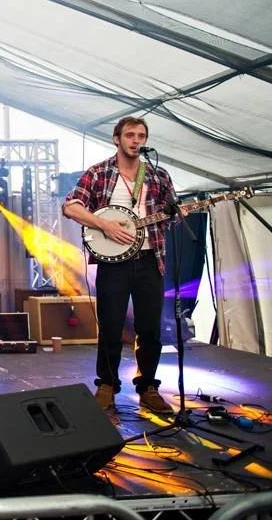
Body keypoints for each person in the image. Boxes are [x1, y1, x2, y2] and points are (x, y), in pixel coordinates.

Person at [63, 116, 182, 415]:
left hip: (150, 259)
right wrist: (105, 225)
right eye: (130, 135)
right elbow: (71, 207)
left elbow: (173, 213)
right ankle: (107, 385)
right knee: (111, 326)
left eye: (141, 136)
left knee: (150, 329)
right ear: (116, 139)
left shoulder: (158, 175)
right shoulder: (99, 172)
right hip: (114, 264)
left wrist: (178, 213)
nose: (136, 140)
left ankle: (148, 387)